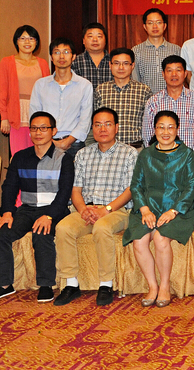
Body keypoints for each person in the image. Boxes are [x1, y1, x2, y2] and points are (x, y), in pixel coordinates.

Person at [0, 112, 74, 303]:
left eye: (43, 128)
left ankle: (46, 285)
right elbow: (9, 187)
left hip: (54, 210)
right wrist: (7, 213)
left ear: (53, 131)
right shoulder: (20, 157)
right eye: (34, 128)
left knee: (41, 232)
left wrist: (49, 216)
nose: (38, 132)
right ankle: (3, 285)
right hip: (27, 209)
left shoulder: (64, 159)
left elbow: (65, 193)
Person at [52, 108, 138, 307]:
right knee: (63, 228)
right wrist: (83, 210)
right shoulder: (83, 154)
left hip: (116, 210)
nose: (103, 129)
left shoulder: (129, 153)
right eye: (98, 125)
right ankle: (71, 284)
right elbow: (76, 189)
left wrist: (105, 210)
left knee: (102, 227)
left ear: (116, 128)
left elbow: (130, 190)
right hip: (87, 209)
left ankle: (106, 284)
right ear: (92, 128)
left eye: (108, 124)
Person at [123, 110, 194, 308]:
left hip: (178, 209)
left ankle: (165, 286)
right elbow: (136, 186)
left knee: (160, 238)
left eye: (170, 127)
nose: (166, 132)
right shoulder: (145, 155)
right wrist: (145, 210)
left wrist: (173, 211)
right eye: (161, 127)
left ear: (177, 129)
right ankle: (152, 286)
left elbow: (191, 187)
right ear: (154, 129)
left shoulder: (187, 154)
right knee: (139, 241)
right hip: (148, 207)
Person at [30, 37, 93, 158]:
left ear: (73, 56)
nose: (62, 56)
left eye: (66, 52)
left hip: (74, 144)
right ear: (51, 57)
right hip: (45, 142)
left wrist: (67, 141)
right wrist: (49, 141)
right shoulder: (40, 85)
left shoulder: (85, 85)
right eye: (57, 52)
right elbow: (34, 116)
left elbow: (85, 120)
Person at [0, 25, 50, 157]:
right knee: (19, 155)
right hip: (16, 114)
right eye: (23, 38)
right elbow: (1, 91)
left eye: (31, 38)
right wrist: (4, 117)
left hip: (38, 112)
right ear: (16, 41)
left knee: (39, 154)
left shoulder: (43, 63)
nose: (27, 42)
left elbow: (48, 92)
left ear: (36, 42)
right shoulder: (7, 62)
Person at [142, 55, 194, 151]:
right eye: (169, 70)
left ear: (185, 73)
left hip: (191, 155)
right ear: (163, 74)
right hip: (161, 156)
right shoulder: (153, 102)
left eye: (178, 70)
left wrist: (192, 152)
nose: (174, 74)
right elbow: (147, 135)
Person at [94, 48, 153, 148]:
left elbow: (149, 124)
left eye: (125, 63)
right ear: (110, 65)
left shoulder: (144, 91)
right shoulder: (101, 90)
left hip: (136, 148)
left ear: (132, 66)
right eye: (116, 63)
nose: (121, 67)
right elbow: (96, 122)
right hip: (108, 148)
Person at [131, 8, 181, 94]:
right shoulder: (136, 51)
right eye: (150, 23)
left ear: (164, 26)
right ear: (145, 26)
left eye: (158, 22)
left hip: (171, 98)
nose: (155, 26)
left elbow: (180, 78)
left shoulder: (176, 50)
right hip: (146, 98)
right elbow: (135, 80)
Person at [71, 22, 112, 89]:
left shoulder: (114, 61)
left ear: (105, 41)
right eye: (90, 36)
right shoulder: (75, 62)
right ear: (83, 41)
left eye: (99, 36)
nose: (95, 40)